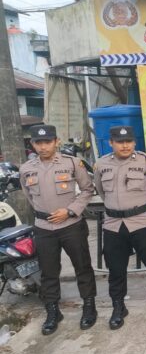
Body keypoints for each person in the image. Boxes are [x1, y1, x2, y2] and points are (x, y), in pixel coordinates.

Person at [19, 124, 97, 335]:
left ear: (56, 142)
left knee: (82, 267)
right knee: (48, 271)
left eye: (47, 142)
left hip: (71, 225)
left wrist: (70, 211)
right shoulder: (26, 169)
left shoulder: (72, 163)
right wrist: (44, 214)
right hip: (44, 228)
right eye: (38, 143)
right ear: (32, 144)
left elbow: (88, 189)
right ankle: (53, 311)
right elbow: (29, 196)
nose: (43, 147)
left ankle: (89, 306)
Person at [94, 126, 146, 329]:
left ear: (134, 142)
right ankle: (118, 306)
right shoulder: (101, 164)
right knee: (115, 267)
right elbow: (101, 190)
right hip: (113, 225)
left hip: (143, 222)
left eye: (128, 141)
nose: (125, 145)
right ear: (111, 143)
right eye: (119, 142)